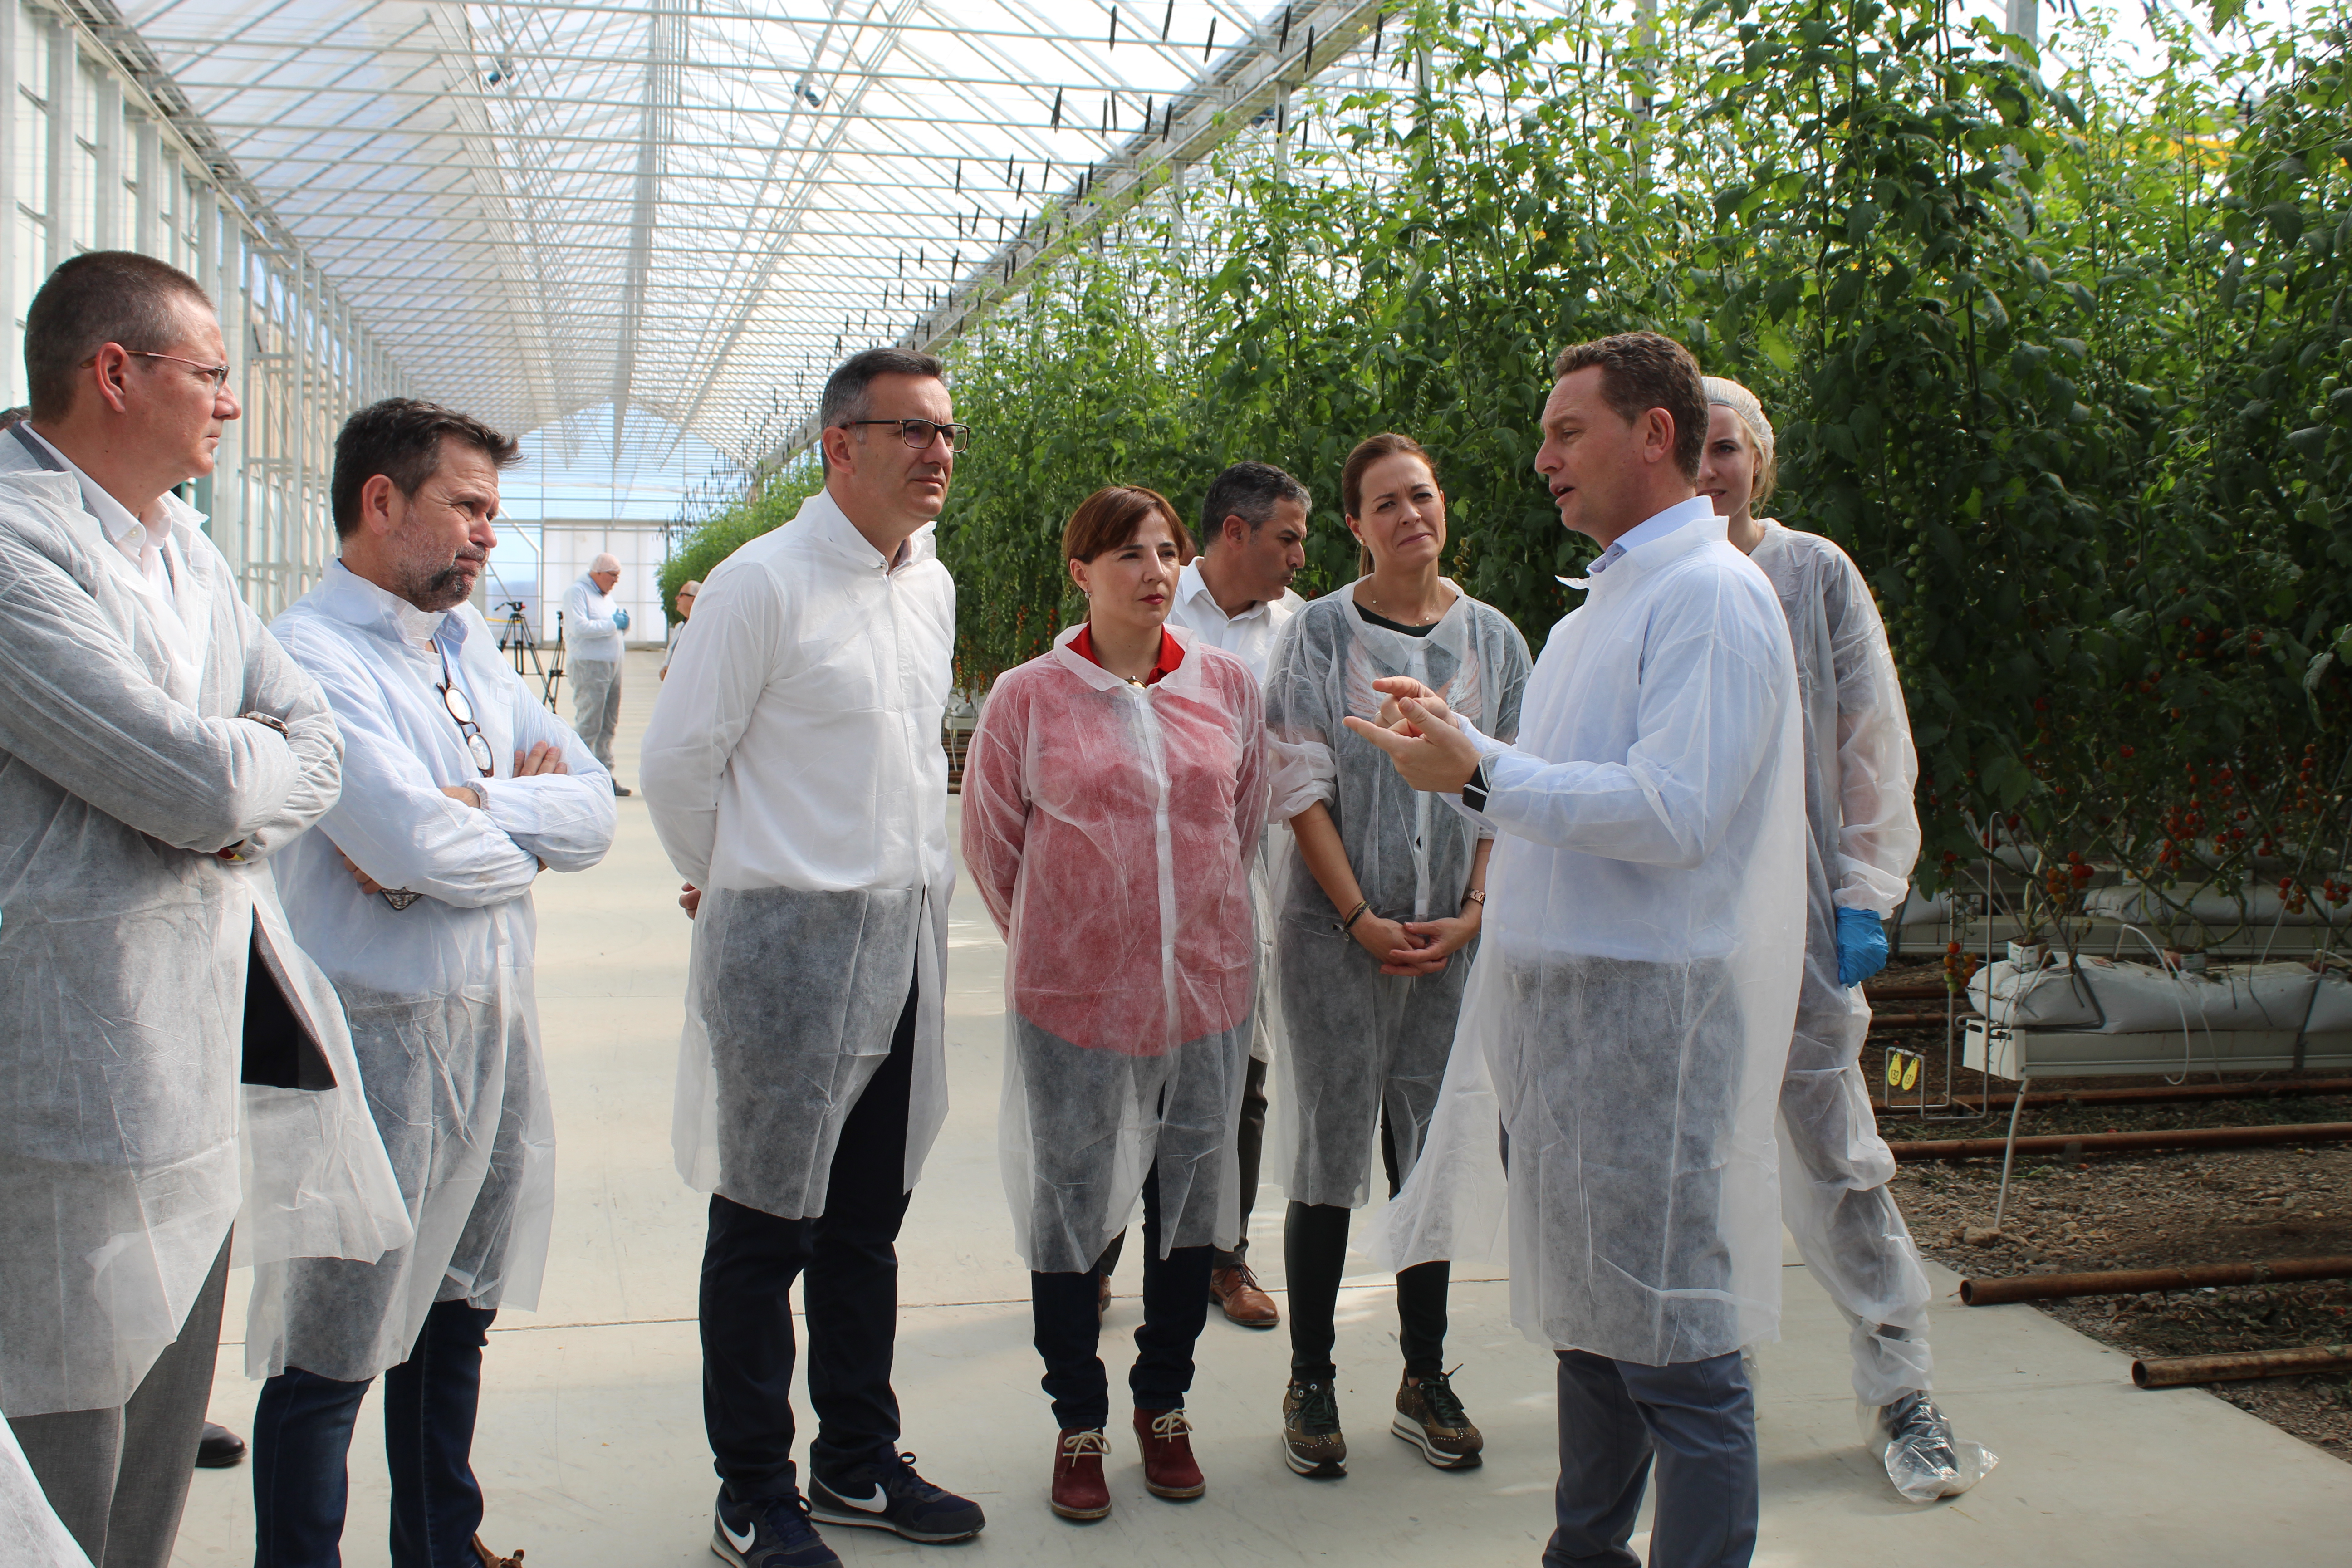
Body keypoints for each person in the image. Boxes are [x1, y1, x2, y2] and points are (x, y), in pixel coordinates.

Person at [1364, 332, 1804, 1568]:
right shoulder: (1610, 604)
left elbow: (1673, 810)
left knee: (1680, 1351)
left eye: (1569, 432)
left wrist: (1486, 769)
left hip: (1647, 1030)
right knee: (1600, 1338)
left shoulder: (1711, 599)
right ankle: (1586, 1550)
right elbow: (1557, 798)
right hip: (1576, 1032)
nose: (1543, 457)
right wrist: (1462, 757)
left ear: (1653, 435)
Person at [0, 251, 407, 1568]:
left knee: (155, 1476)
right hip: (57, 1086)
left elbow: (309, 740)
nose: (233, 404)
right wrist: (232, 782)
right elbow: (188, 778)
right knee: (60, 1456)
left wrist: (236, 781)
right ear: (114, 374)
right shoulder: (14, 549)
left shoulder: (187, 552)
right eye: (214, 374)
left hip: (192, 1067)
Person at [253, 398, 618, 1568]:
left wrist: (475, 813)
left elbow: (593, 807)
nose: (486, 536)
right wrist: (478, 834)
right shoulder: (307, 655)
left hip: (488, 1023)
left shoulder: (462, 646)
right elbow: (406, 844)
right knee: (334, 1345)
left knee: (455, 1313)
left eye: (493, 512)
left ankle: (440, 1546)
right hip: (373, 1034)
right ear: (380, 500)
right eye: (466, 506)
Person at [641, 348, 985, 1568]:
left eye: (948, 431)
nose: (938, 452)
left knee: (863, 1226)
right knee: (764, 1227)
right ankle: (753, 1488)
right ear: (841, 446)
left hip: (898, 944)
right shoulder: (762, 586)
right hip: (789, 946)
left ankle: (853, 1458)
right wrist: (735, 877)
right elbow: (679, 764)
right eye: (911, 431)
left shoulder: (924, 582)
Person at [1699, 377, 1993, 1501]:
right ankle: (1690, 1382)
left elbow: (1871, 732)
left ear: (1759, 463)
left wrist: (1865, 886)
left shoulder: (1809, 573)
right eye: (1702, 449)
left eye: (1733, 448)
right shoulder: (1656, 578)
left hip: (1802, 913)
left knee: (1837, 1149)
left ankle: (1902, 1385)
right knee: (1691, 1157)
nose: (1716, 468)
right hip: (1688, 922)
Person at [962, 486, 1272, 1521]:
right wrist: (1076, 939)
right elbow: (994, 845)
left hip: (1207, 993)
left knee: (1186, 1207)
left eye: (1166, 551)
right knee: (1071, 1212)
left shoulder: (1225, 687)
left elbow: (1242, 818)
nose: (1154, 570)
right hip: (1074, 999)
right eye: (1126, 553)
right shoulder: (1026, 698)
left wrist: (1184, 939)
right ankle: (1078, 1416)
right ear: (1079, 572)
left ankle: (1163, 1402)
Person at [1259, 434, 1531, 1478]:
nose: (1409, 513)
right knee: (1329, 1154)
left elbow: (1513, 779)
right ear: (1355, 525)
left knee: (1428, 1152)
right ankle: (1312, 1372)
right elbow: (1298, 781)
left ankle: (1424, 1372)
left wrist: (1472, 907)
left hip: (1450, 940)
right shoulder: (1320, 633)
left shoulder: (1495, 640)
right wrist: (1361, 913)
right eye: (1385, 501)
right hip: (1339, 937)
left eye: (1420, 493)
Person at [1159, 459, 1312, 1329]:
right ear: (1233, 533)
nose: (1299, 555)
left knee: (1242, 1071)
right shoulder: (1151, 597)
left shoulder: (1297, 631)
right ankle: (1102, 1253)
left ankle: (1226, 1258)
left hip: (1251, 873)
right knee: (1135, 1065)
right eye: (1286, 537)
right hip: (1145, 869)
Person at [564, 551, 630, 794]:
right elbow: (579, 627)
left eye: (618, 576)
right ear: (598, 572)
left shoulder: (605, 597)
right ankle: (575, 773)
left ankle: (605, 775)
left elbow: (610, 628)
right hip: (589, 665)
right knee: (590, 722)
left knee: (608, 724)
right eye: (613, 575)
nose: (615, 581)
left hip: (612, 666)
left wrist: (623, 625)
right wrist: (614, 625)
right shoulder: (577, 593)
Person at [660, 576, 703, 680]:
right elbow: (668, 659)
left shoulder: (703, 629)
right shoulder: (679, 627)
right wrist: (664, 671)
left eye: (681, 595)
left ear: (694, 600)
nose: (677, 598)